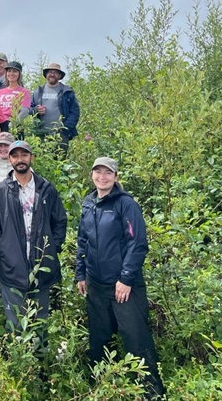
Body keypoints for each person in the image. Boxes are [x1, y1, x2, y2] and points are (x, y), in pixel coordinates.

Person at [76, 157, 165, 398]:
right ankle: (99, 383)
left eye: (107, 173)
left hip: (123, 286)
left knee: (135, 336)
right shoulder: (88, 203)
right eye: (97, 172)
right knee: (99, 337)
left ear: (116, 177)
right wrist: (80, 273)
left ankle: (151, 391)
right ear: (92, 174)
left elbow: (138, 244)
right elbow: (82, 241)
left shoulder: (126, 204)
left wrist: (125, 279)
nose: (102, 177)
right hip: (96, 283)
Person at [0, 140, 67, 331]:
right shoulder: (0, 190)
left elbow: (60, 221)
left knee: (40, 323)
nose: (20, 160)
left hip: (41, 265)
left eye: (24, 155)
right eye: (15, 156)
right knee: (14, 324)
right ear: (10, 159)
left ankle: (40, 359)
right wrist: (1, 247)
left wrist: (52, 248)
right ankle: (17, 359)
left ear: (31, 157)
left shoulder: (46, 189)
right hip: (12, 266)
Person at [30, 62, 80, 153]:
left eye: (55, 72)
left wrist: (65, 129)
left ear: (59, 75)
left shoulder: (67, 91)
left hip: (60, 135)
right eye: (50, 72)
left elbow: (75, 112)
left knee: (60, 162)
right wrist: (36, 110)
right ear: (46, 74)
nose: (52, 74)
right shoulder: (38, 91)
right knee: (42, 161)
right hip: (41, 134)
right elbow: (30, 109)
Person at [0, 61, 31, 133]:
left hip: (14, 125)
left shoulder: (24, 92)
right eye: (9, 71)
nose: (11, 74)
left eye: (14, 71)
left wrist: (13, 124)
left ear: (19, 74)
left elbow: (25, 111)